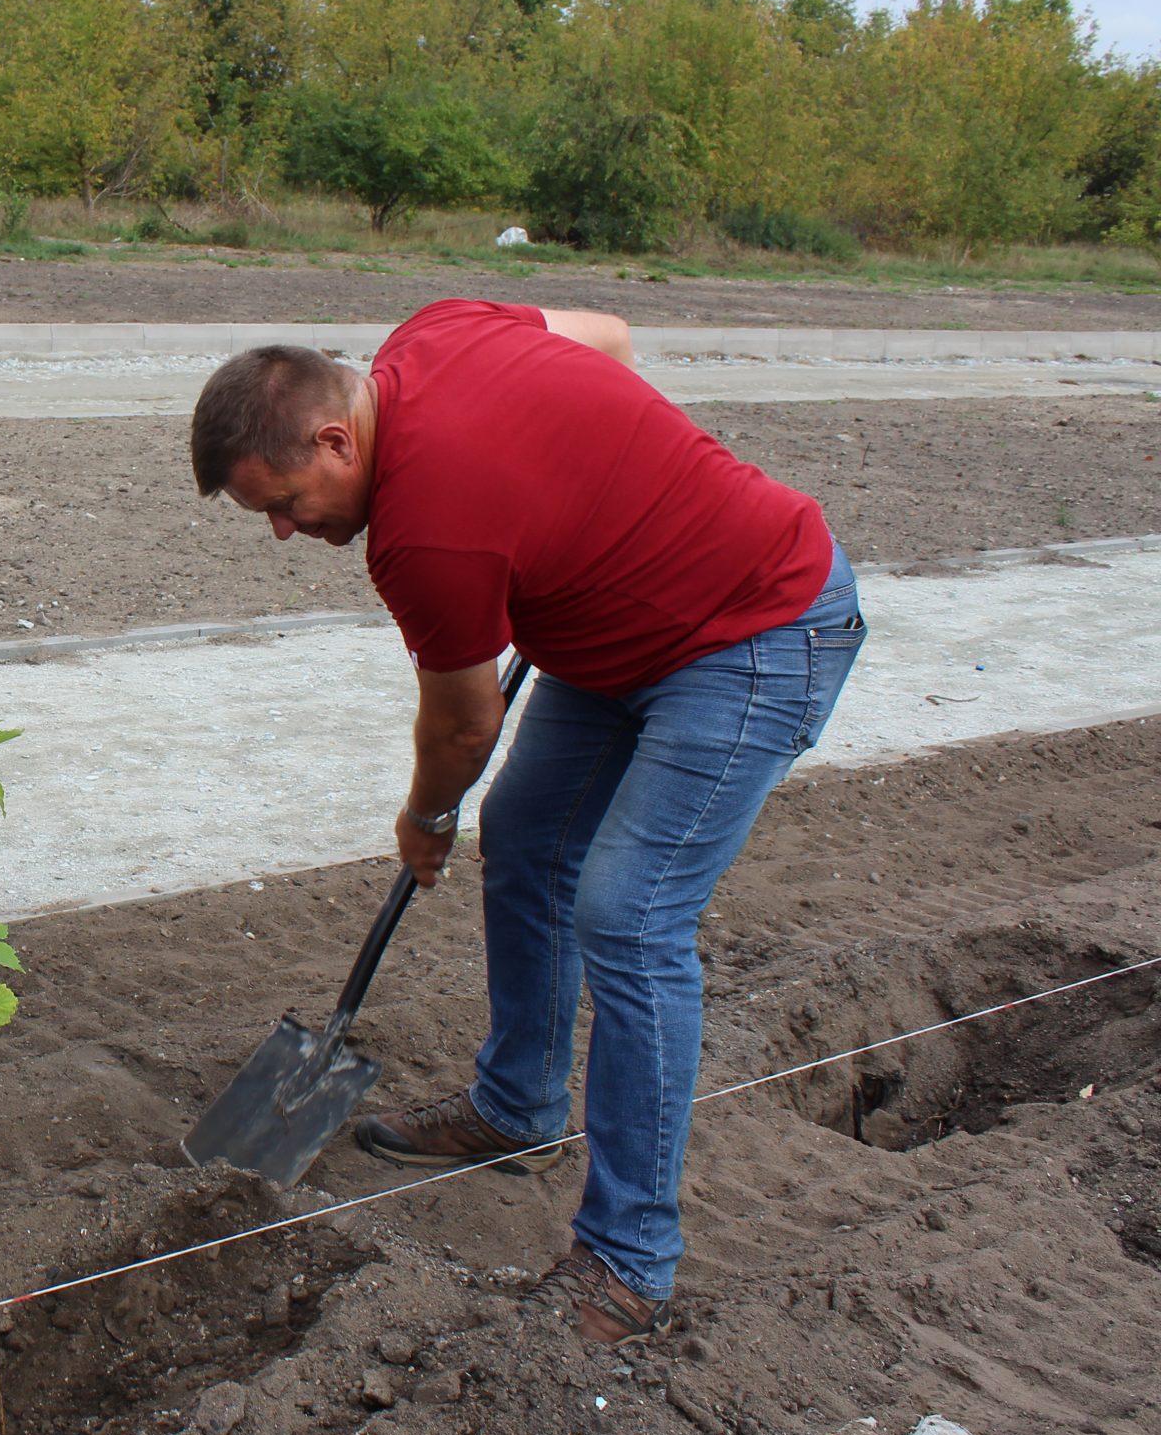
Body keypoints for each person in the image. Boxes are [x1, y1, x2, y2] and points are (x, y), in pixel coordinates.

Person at [190, 298, 865, 1347]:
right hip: (621, 635)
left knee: (628, 915)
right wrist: (586, 505)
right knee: (529, 835)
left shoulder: (424, 534)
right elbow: (606, 337)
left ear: (335, 439)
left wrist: (422, 821)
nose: (285, 531)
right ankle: (515, 1110)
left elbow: (462, 727)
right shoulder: (434, 332)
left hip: (756, 628)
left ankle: (629, 1262)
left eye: (282, 502)